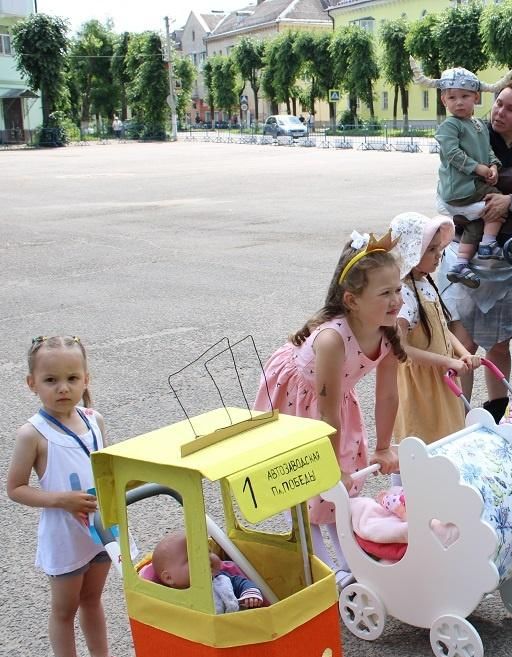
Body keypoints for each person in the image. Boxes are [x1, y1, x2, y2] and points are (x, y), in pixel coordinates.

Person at [254, 231, 404, 586]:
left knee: (346, 478)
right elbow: (326, 414)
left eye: (398, 289)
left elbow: (387, 395)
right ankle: (318, 558)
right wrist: (330, 469)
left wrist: (383, 447)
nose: (396, 299)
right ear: (351, 300)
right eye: (385, 293)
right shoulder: (332, 339)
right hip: (299, 400)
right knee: (309, 480)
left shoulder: (391, 329)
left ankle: (350, 550)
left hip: (336, 401)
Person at [6, 336, 139, 657]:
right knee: (64, 609)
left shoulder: (95, 419)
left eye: (72, 378)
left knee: (92, 599)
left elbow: (109, 469)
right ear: (32, 383)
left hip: (100, 531)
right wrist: (60, 500)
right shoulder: (32, 434)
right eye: (51, 380)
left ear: (86, 379)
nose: (63, 388)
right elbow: (15, 489)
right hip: (65, 536)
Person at [438, 79, 512, 418]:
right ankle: (457, 423)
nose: (499, 111)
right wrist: (479, 211)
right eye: (498, 103)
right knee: (463, 346)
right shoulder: (467, 137)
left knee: (500, 345)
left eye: (511, 108)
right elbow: (443, 199)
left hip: (508, 264)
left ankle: (495, 419)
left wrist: (510, 201)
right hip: (466, 259)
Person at [411, 60, 512, 288]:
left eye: (465, 96)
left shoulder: (478, 124)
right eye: (452, 97)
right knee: (497, 200)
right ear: (443, 100)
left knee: (476, 224)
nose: (458, 102)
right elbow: (452, 153)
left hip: (471, 185)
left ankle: (460, 264)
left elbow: (488, 151)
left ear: (476, 97)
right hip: (460, 187)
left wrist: (494, 166)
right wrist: (478, 169)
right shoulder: (450, 126)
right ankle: (488, 244)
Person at [390, 212, 480, 444]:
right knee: (418, 438)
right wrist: (447, 362)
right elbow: (401, 348)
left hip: (441, 376)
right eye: (431, 250)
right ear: (410, 252)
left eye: (439, 248)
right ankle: (402, 480)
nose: (438, 255)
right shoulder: (404, 294)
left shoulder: (424, 284)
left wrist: (463, 353)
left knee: (445, 435)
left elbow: (442, 327)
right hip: (422, 383)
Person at [151, 530, 264, 614]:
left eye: (208, 551)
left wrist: (250, 593)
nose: (206, 558)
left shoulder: (220, 579)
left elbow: (240, 582)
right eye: (194, 558)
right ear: (169, 578)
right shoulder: (170, 599)